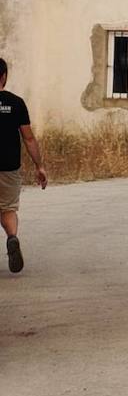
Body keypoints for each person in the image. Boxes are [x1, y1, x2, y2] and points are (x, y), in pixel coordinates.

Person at [0, 58, 48, 273]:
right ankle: (11, 237)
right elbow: (29, 138)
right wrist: (40, 166)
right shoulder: (16, 103)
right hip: (9, 166)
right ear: (4, 77)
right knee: (8, 208)